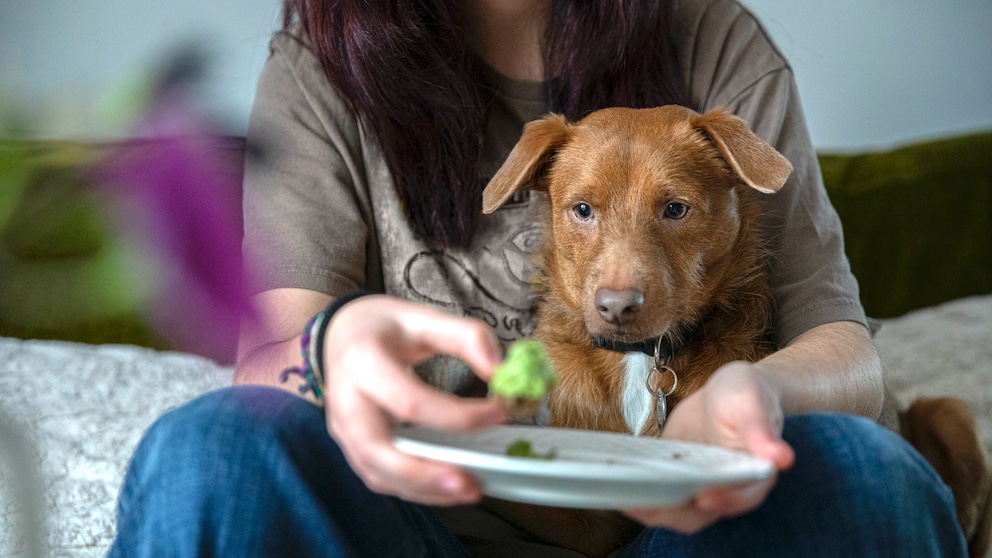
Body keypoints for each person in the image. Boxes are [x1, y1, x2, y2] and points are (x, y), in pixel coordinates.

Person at [109, 0, 967, 556]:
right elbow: (267, 362)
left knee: (861, 469)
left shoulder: (710, 36)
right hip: (424, 527)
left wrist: (759, 391)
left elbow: (847, 353)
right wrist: (329, 348)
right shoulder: (321, 69)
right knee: (211, 447)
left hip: (698, 530)